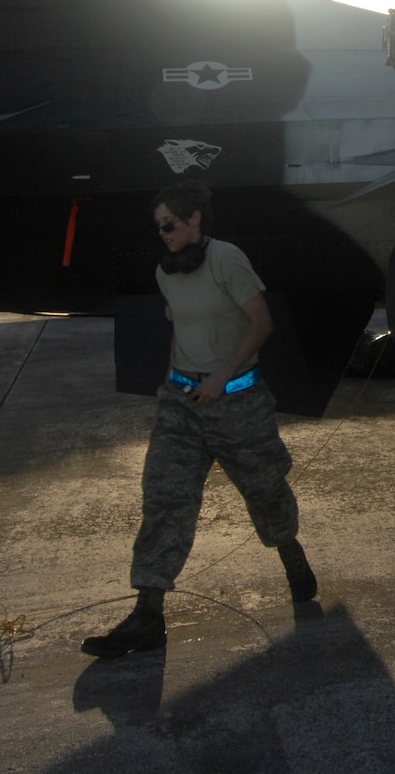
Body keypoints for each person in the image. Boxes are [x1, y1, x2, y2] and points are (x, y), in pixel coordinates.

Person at [82, 180, 316, 658]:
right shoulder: (166, 272)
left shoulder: (227, 260)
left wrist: (222, 376)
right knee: (164, 498)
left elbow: (261, 322)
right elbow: (181, 329)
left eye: (169, 224)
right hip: (182, 404)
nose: (163, 234)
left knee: (266, 490)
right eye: (158, 227)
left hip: (238, 403)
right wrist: (172, 382)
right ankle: (148, 613)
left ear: (194, 220)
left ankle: (290, 550)